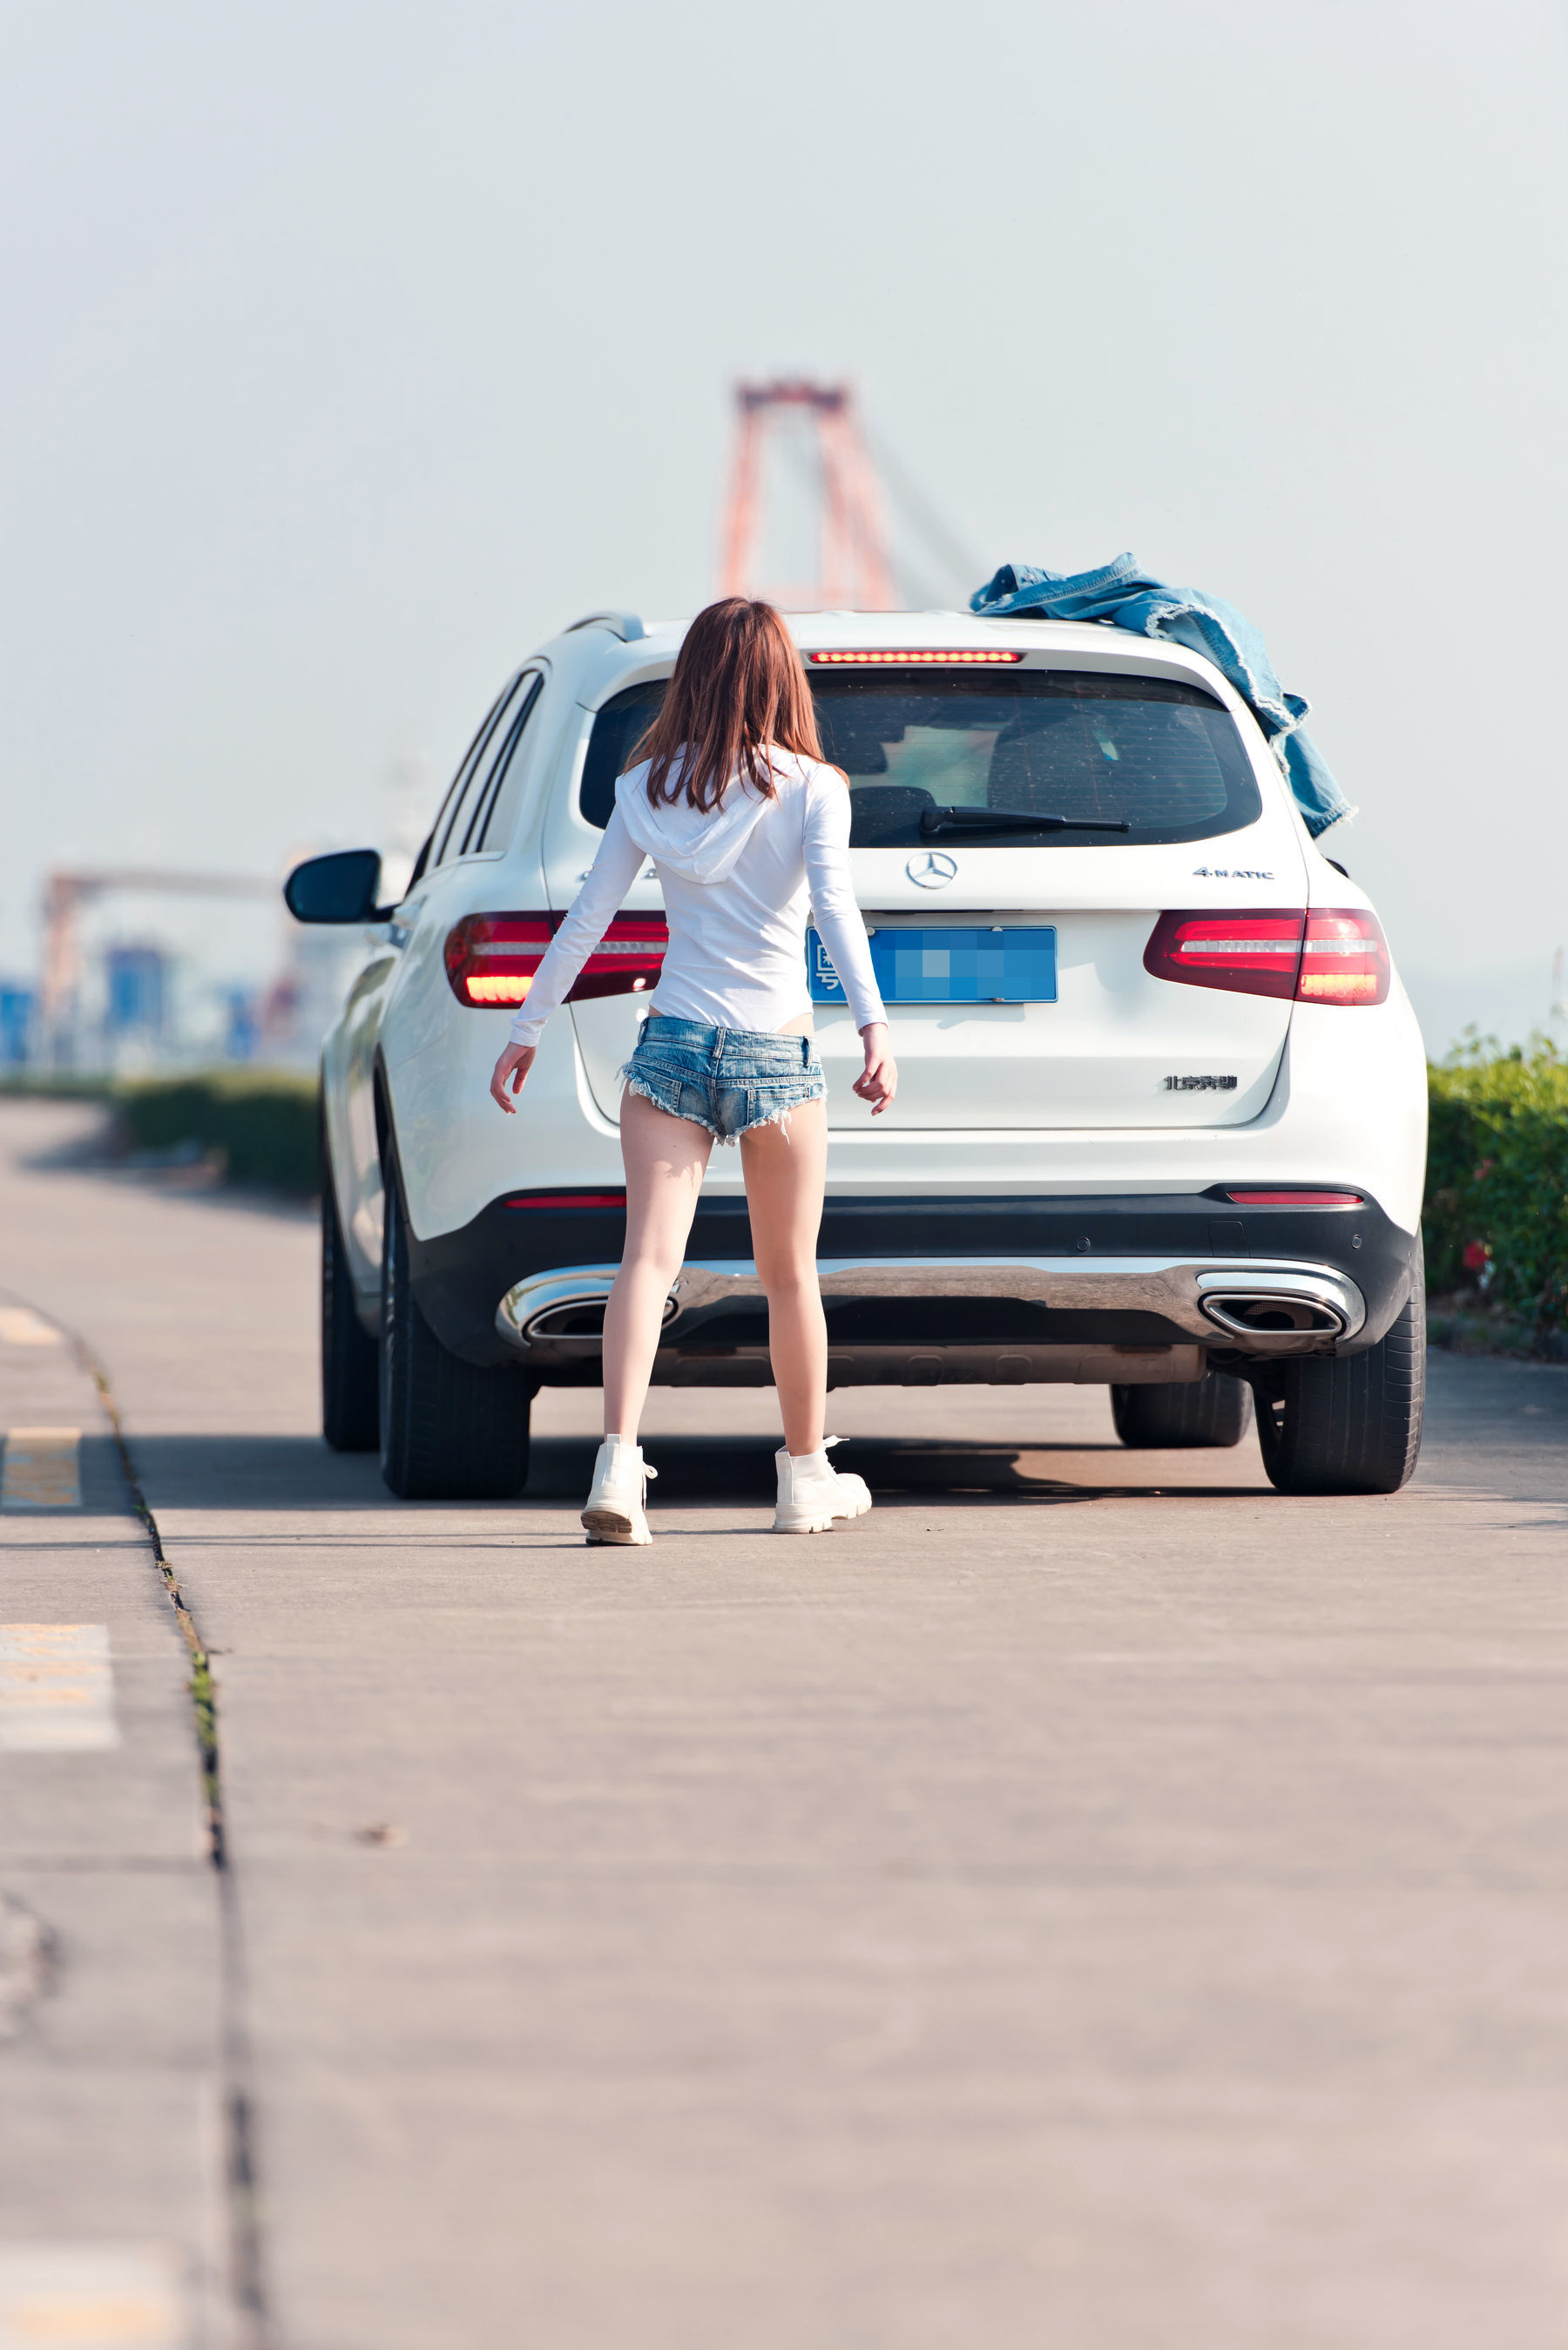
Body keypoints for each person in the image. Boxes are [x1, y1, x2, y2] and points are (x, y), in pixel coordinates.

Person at [489, 597, 896, 1543]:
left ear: (696, 677)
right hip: (775, 1052)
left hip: (670, 1044)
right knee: (790, 1275)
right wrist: (874, 1027)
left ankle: (618, 1472)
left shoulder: (646, 787)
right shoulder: (814, 787)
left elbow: (588, 915)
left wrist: (528, 1026)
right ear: (780, 677)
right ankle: (803, 1481)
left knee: (646, 1261)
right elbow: (836, 912)